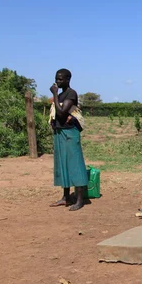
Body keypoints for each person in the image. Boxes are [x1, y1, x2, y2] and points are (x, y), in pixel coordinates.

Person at [48, 69, 88, 211]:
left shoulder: (71, 93)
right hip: (60, 132)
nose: (57, 82)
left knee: (75, 164)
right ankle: (66, 197)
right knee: (63, 165)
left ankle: (79, 199)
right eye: (56, 79)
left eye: (60, 79)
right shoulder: (60, 94)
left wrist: (53, 94)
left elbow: (61, 112)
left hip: (70, 132)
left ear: (67, 79)